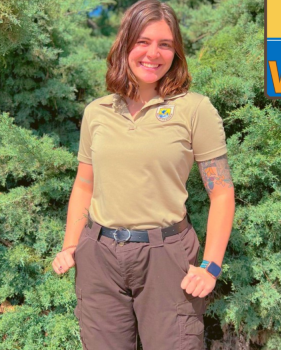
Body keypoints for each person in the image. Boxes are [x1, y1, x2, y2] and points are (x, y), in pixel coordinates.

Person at [52, 0, 235, 349]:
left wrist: (211, 265)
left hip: (166, 256)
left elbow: (222, 192)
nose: (153, 53)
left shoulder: (194, 109)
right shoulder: (97, 112)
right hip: (99, 256)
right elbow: (85, 184)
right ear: (124, 45)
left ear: (176, 52)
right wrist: (71, 245)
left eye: (165, 44)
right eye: (143, 41)